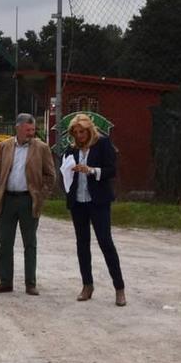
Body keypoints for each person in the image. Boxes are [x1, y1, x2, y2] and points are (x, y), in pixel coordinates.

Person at [0, 113, 56, 295]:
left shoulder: (41, 148)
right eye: (28, 130)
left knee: (30, 243)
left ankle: (30, 283)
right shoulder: (5, 146)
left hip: (29, 200)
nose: (31, 133)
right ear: (17, 128)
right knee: (5, 243)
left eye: (33, 130)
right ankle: (5, 281)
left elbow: (50, 175)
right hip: (7, 200)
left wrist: (41, 196)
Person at [64, 113, 127, 307]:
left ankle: (119, 288)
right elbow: (64, 167)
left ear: (89, 130)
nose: (79, 136)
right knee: (82, 244)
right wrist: (67, 171)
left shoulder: (103, 144)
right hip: (78, 202)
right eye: (75, 132)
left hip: (98, 201)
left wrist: (92, 170)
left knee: (105, 242)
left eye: (82, 132)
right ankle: (87, 285)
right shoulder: (71, 148)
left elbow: (111, 170)